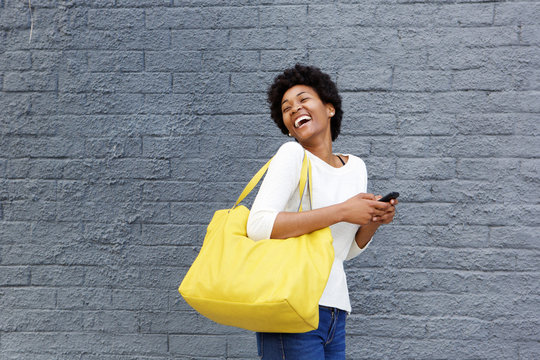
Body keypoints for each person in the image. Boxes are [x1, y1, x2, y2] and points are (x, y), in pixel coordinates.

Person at [246, 64, 398, 360]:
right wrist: (342, 211)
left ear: (329, 108)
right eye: (286, 108)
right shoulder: (291, 156)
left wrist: (373, 221)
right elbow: (259, 226)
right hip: (290, 306)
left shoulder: (356, 167)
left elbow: (342, 252)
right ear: (287, 126)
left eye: (303, 100)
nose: (294, 109)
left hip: (334, 311)